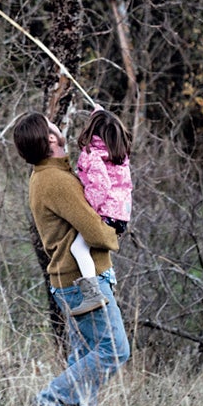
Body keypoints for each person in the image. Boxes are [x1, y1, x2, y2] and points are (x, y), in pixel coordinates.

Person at [12, 111, 130, 406]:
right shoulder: (57, 182)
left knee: (86, 356)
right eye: (52, 127)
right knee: (114, 351)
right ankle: (52, 398)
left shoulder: (51, 175)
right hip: (82, 283)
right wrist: (114, 234)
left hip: (72, 283)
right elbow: (94, 232)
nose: (58, 128)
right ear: (50, 139)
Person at [67, 108, 133, 315]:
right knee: (91, 249)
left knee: (78, 248)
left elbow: (101, 186)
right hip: (121, 216)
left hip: (105, 214)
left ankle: (93, 294)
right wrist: (100, 112)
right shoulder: (119, 154)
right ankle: (104, 285)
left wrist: (88, 208)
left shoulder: (92, 155)